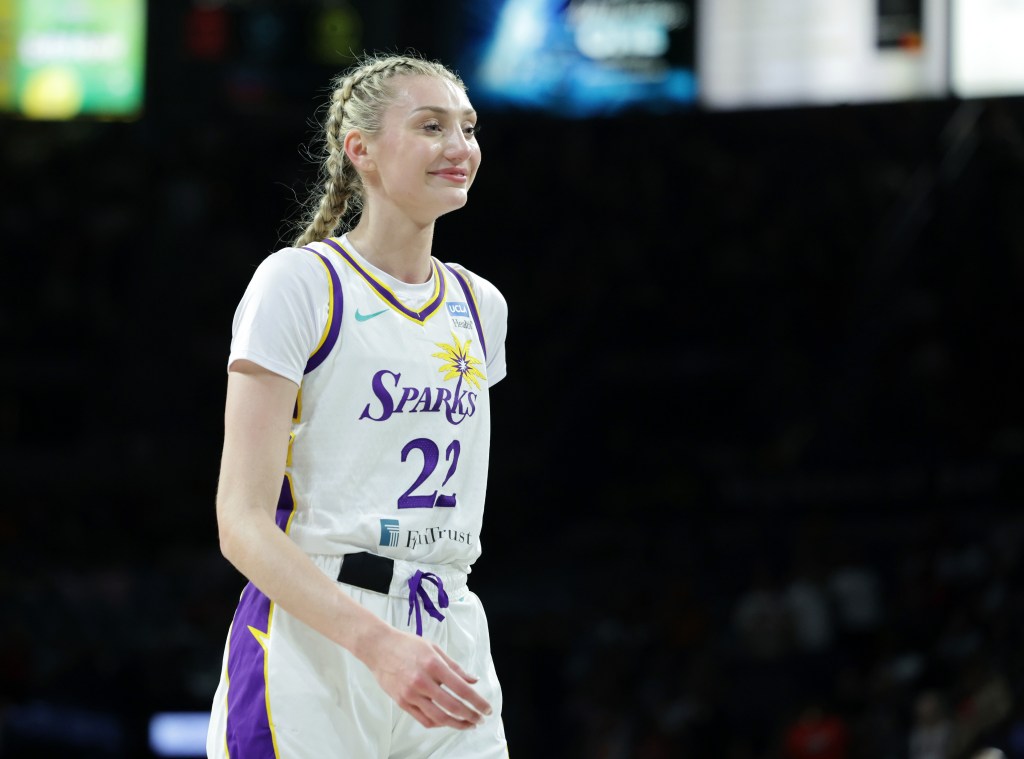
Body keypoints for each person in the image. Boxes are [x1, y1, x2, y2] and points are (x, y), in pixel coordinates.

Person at [206, 52, 509, 758]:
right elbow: (240, 521)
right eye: (431, 126)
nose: (460, 146)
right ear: (360, 149)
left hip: (448, 620)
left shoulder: (480, 306)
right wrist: (377, 643)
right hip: (318, 631)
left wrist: (412, 643)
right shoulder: (299, 283)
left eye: (467, 127)